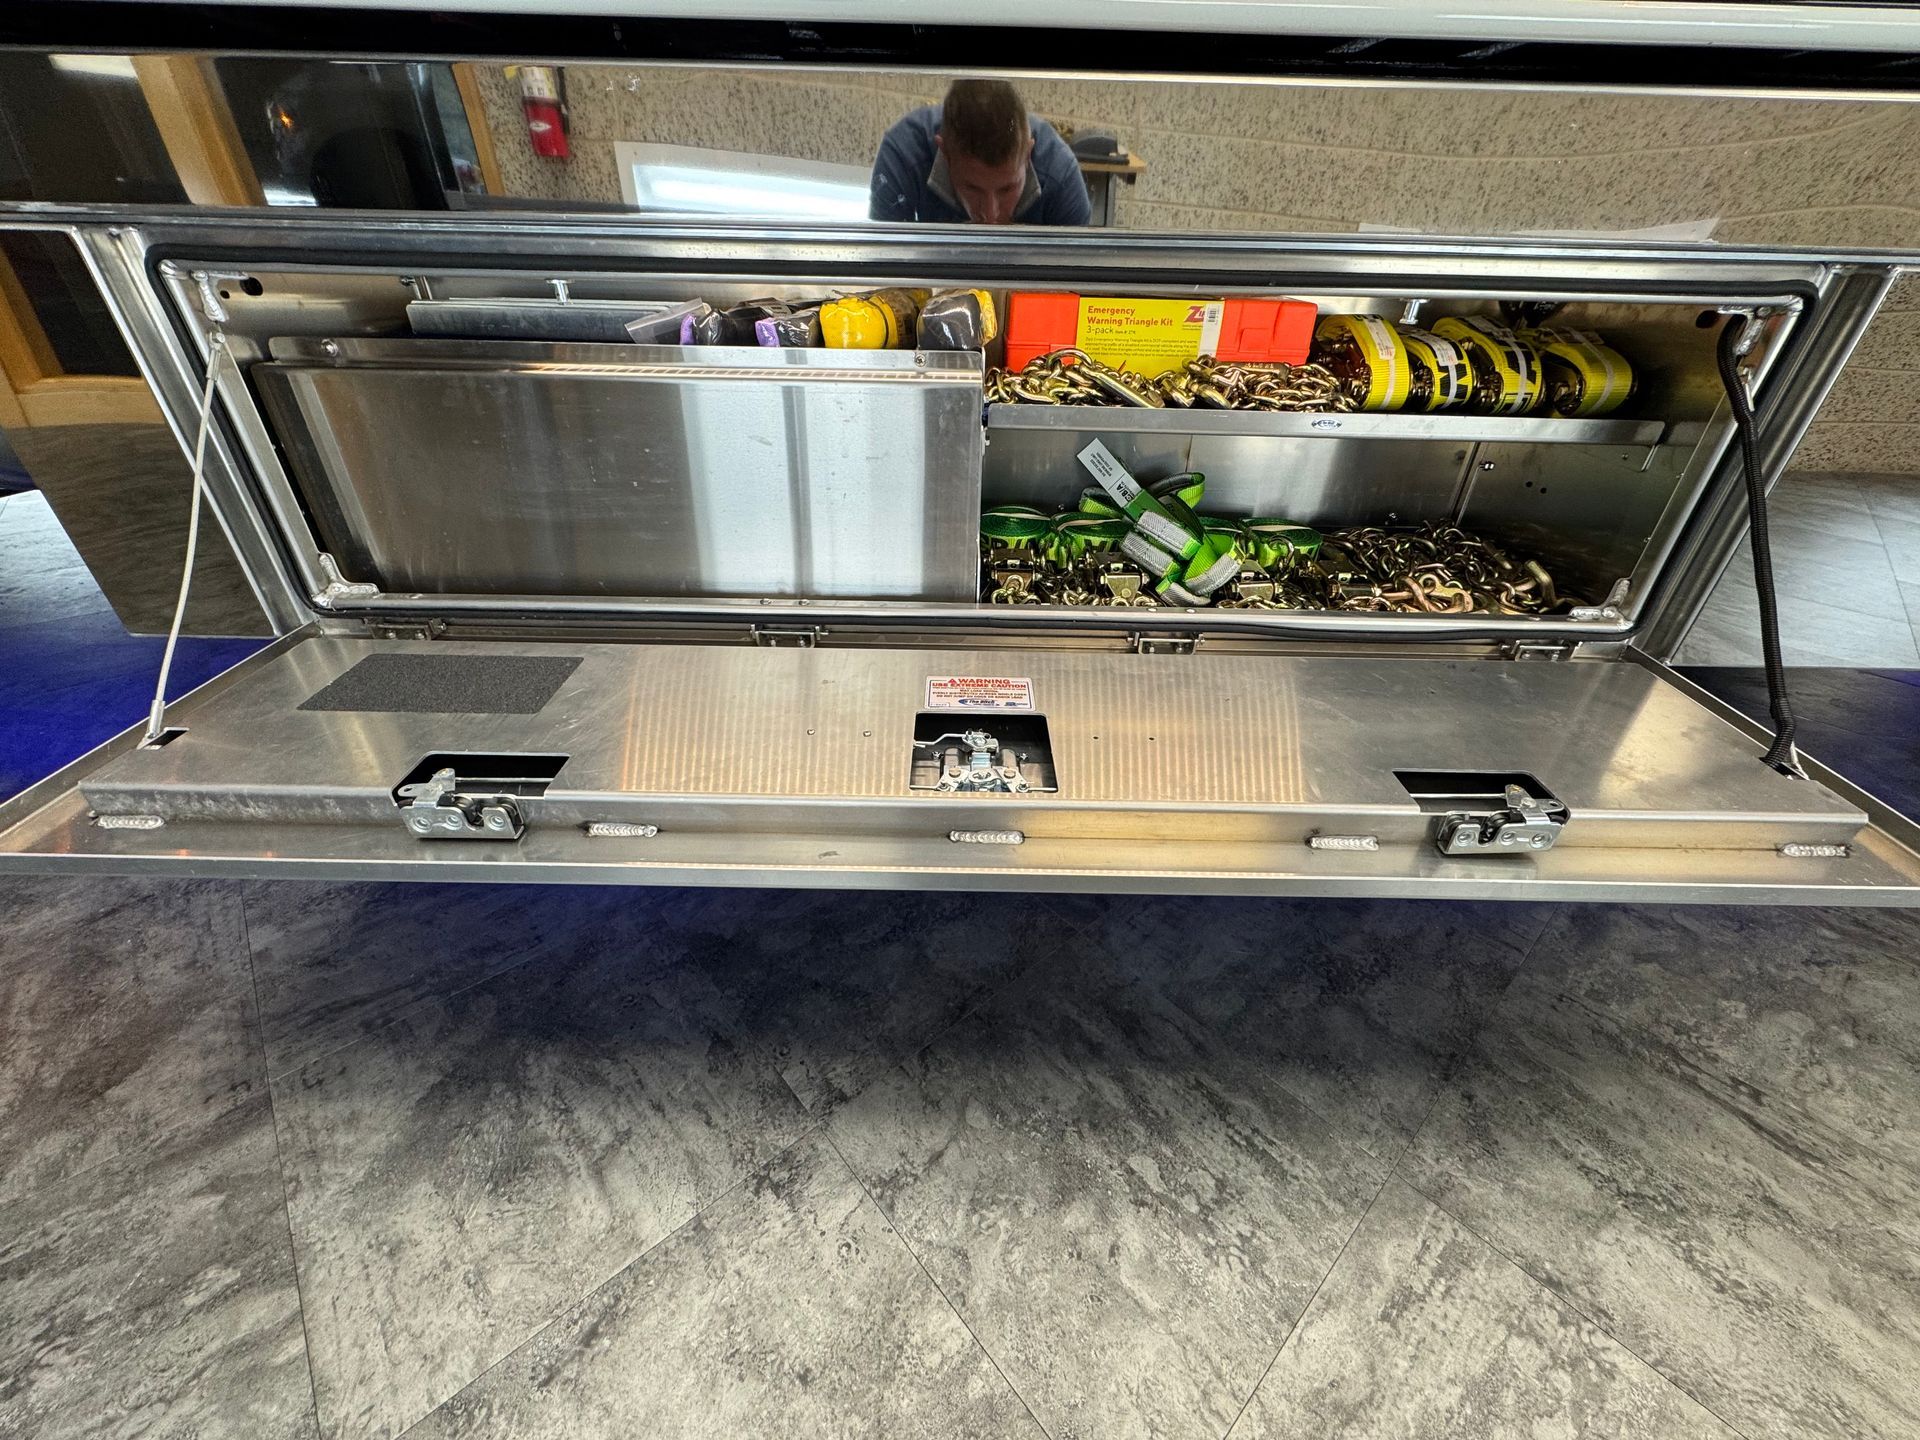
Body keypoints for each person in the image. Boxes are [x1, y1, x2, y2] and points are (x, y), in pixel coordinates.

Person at [870, 79, 1091, 226]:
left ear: (1028, 155)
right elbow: (884, 268)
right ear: (945, 153)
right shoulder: (902, 157)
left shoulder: (1061, 177)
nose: (990, 215)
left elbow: (1076, 287)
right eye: (972, 188)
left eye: (1007, 189)